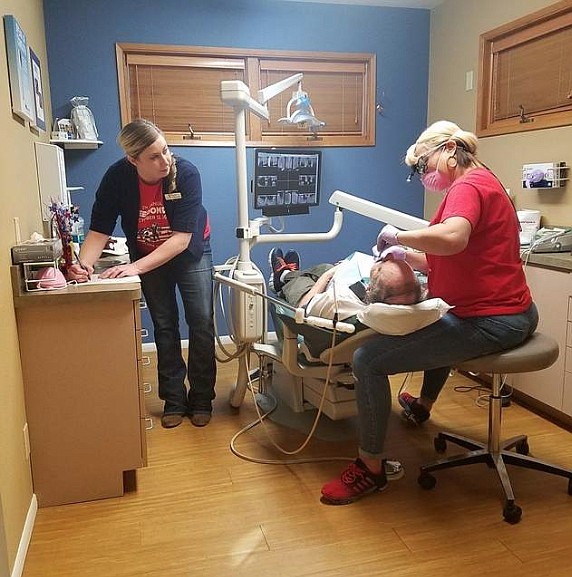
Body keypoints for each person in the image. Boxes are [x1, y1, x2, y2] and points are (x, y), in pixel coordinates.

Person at [320, 120, 538, 505]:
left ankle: (370, 467)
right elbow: (456, 256)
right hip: (511, 308)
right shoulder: (483, 181)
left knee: (367, 359)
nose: (423, 174)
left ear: (451, 149)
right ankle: (422, 405)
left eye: (423, 165)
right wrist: (408, 257)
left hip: (493, 320)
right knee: (439, 318)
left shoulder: (468, 186)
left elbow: (453, 239)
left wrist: (397, 237)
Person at [67, 119, 216, 429]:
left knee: (201, 320)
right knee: (164, 324)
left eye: (166, 151)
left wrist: (132, 268)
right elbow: (99, 229)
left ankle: (201, 399)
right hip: (148, 253)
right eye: (154, 156)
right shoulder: (117, 179)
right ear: (132, 160)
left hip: (188, 250)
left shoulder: (185, 173)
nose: (165, 161)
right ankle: (174, 399)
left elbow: (181, 240)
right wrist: (83, 267)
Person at [268, 246, 424, 319]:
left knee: (301, 282)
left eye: (380, 267)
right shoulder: (406, 293)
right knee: (324, 267)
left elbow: (304, 307)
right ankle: (289, 273)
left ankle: (283, 277)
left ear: (369, 289)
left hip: (316, 294)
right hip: (340, 279)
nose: (387, 258)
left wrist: (328, 276)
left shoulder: (339, 301)